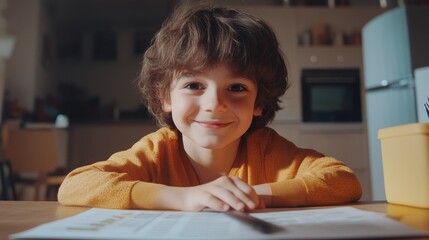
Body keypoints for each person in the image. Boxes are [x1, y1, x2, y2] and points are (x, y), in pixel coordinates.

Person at [58, 4, 362, 211]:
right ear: (165, 97)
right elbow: (74, 186)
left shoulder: (268, 152)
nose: (215, 103)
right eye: (194, 85)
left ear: (259, 102)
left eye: (237, 88)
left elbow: (343, 181)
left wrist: (256, 195)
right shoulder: (157, 151)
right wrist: (182, 198)